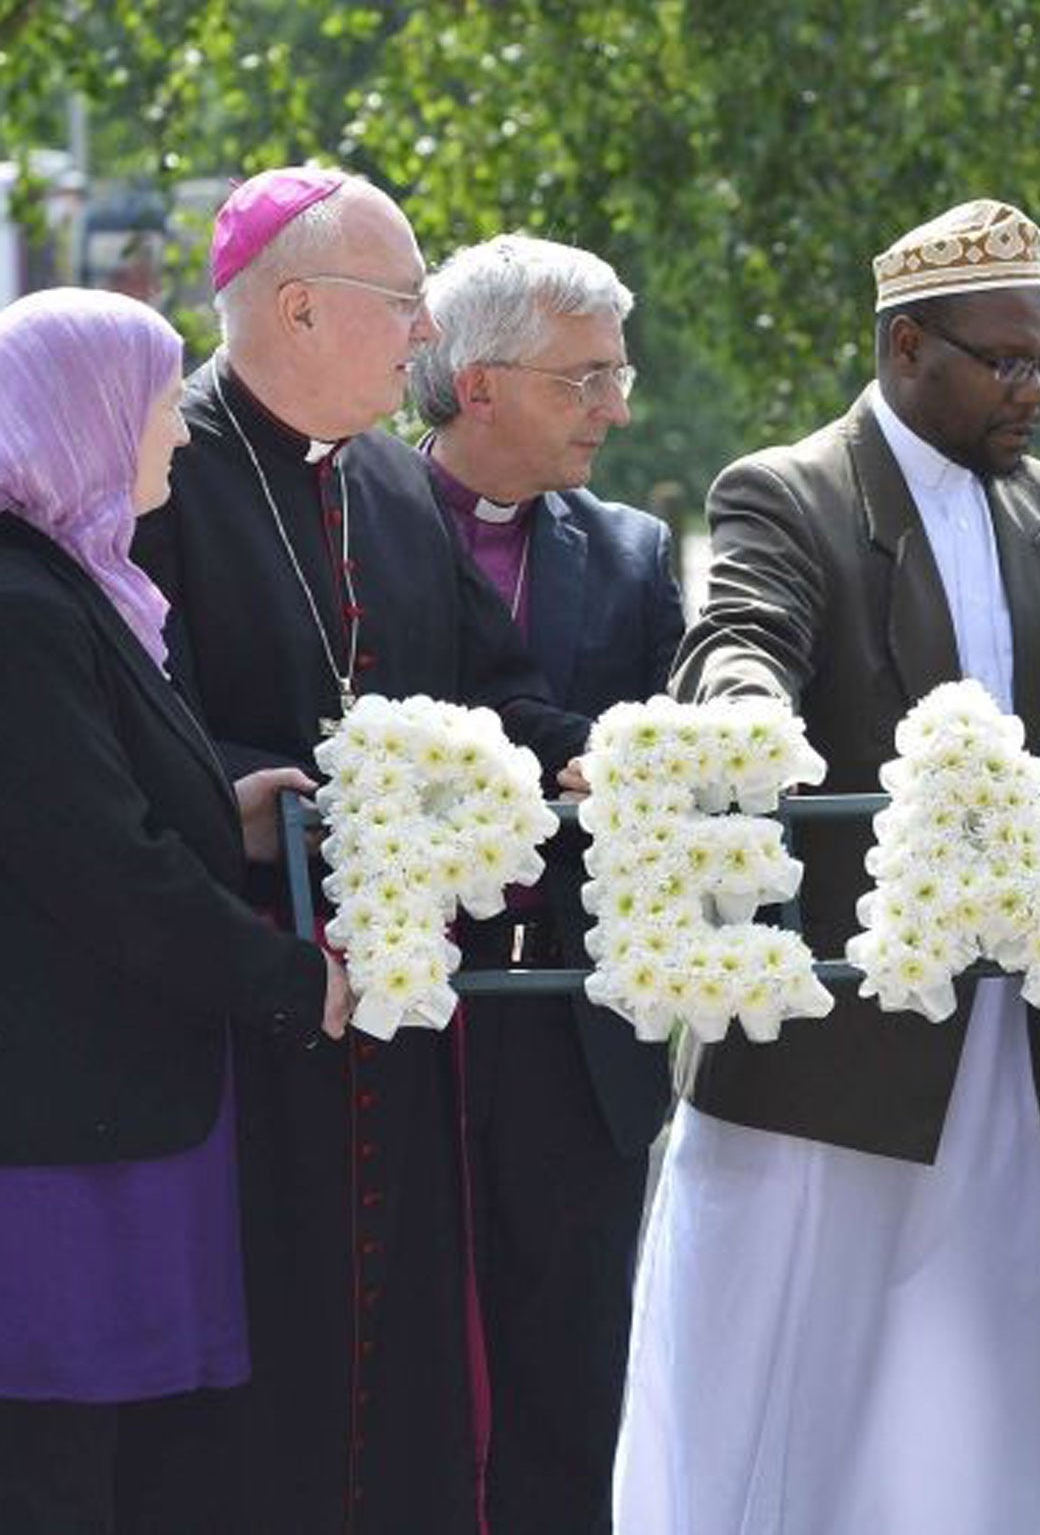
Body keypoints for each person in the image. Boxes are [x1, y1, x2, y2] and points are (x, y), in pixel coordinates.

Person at [613, 199, 1040, 1535]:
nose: (1036, 387)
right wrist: (742, 709)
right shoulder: (790, 489)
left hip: (1009, 1043)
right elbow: (740, 630)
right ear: (910, 346)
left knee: (992, 1393)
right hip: (833, 1055)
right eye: (1007, 361)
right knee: (786, 1390)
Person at [131, 167, 590, 1534]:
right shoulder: (164, 469)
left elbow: (489, 691)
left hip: (392, 1016)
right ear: (299, 306)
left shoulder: (390, 481)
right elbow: (112, 719)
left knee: (396, 1366)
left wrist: (593, 758)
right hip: (234, 1006)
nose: (423, 342)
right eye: (405, 305)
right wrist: (234, 789)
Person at [0, 287, 352, 1532]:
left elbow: (101, 809)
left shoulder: (72, 584)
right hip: (56, 1141)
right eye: (159, 408)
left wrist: (232, 813)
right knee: (55, 1466)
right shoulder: (21, 605)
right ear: (85, 418)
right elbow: (104, 870)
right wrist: (289, 982)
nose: (183, 436)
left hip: (108, 1116)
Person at [412, 233, 681, 1535]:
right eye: (586, 378)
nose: (616, 408)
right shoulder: (353, 523)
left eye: (616, 373)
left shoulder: (633, 551)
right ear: (479, 383)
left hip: (580, 1031)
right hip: (399, 1021)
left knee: (572, 1388)